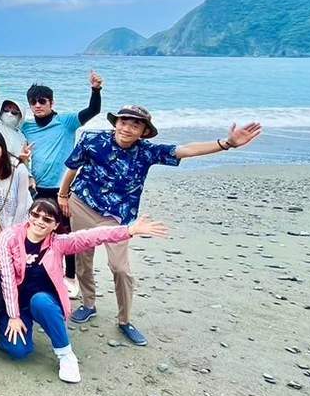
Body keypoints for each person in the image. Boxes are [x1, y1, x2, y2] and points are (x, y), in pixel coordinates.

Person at [61, 105, 262, 345]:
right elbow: (73, 167)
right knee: (83, 261)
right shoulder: (92, 140)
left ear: (144, 131)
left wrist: (226, 143)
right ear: (115, 123)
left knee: (120, 269)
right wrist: (63, 195)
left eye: (135, 124)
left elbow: (184, 150)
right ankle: (88, 304)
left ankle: (124, 320)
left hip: (118, 216)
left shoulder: (146, 152)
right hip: (83, 204)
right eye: (123, 122)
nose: (127, 127)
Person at [0, 199, 169, 382]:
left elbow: (91, 236)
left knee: (41, 302)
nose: (39, 221)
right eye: (35, 215)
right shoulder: (10, 237)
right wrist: (13, 317)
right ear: (29, 215)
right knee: (19, 351)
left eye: (47, 219)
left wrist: (129, 230)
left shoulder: (58, 243)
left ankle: (66, 355)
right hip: (15, 303)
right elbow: (7, 280)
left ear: (55, 225)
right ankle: (5, 321)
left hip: (43, 299)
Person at [14, 65, 104, 293]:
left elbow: (92, 111)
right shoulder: (27, 127)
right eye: (33, 102)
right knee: (39, 231)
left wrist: (95, 90)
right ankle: (41, 273)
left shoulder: (66, 122)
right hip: (38, 188)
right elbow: (8, 135)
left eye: (42, 101)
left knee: (67, 232)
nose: (37, 105)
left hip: (64, 189)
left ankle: (70, 277)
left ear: (51, 103)